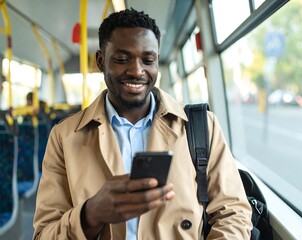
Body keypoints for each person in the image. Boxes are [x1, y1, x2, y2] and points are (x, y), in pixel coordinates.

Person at [33, 8, 252, 240]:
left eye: (148, 60)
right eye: (121, 59)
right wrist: (90, 215)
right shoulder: (64, 137)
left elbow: (233, 213)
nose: (137, 71)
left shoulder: (201, 127)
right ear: (100, 61)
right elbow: (44, 234)